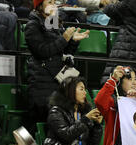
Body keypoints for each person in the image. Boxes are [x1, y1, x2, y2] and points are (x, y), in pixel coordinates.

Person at [25, 0, 89, 133]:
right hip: (41, 82)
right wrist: (64, 39)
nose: (53, 4)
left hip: (56, 81)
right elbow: (41, 51)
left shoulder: (54, 22)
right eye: (49, 1)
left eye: (54, 1)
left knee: (56, 125)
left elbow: (63, 52)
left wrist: (72, 41)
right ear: (39, 5)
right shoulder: (33, 24)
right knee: (38, 125)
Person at [45, 76, 103, 145]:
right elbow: (66, 135)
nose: (85, 93)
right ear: (70, 91)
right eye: (81, 89)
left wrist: (97, 125)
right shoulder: (56, 112)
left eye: (85, 89)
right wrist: (85, 120)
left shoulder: (82, 113)